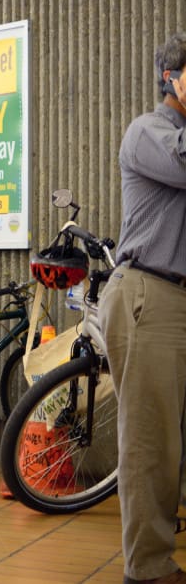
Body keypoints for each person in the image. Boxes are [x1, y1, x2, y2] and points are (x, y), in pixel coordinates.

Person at [98, 33, 186, 584]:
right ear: (172, 78)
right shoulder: (149, 131)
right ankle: (150, 570)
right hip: (151, 295)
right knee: (152, 442)